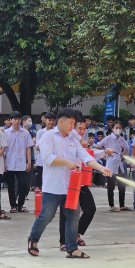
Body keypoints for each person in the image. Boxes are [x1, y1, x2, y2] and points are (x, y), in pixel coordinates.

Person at [27, 109, 112, 259]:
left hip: (71, 186)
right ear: (61, 121)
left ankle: (72, 248)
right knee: (47, 216)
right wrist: (66, 162)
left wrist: (101, 168)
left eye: (74, 123)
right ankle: (33, 239)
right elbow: (47, 157)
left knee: (73, 217)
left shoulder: (72, 139)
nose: (73, 126)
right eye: (71, 123)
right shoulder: (48, 136)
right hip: (53, 186)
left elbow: (85, 156)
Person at [58, 116, 112, 250]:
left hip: (80, 181)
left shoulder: (80, 143)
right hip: (67, 181)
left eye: (83, 129)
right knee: (66, 212)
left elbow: (89, 155)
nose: (82, 131)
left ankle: (76, 233)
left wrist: (104, 153)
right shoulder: (66, 140)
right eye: (79, 128)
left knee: (90, 209)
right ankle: (64, 241)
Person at [97, 121, 130, 212]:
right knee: (111, 186)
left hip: (119, 164)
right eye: (116, 128)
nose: (118, 129)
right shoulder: (108, 138)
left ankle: (122, 205)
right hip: (111, 164)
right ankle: (111, 206)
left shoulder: (122, 139)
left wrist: (121, 154)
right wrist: (106, 151)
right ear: (112, 129)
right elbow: (97, 146)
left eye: (120, 128)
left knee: (122, 185)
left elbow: (127, 148)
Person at [4, 111, 34, 213]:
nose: (17, 121)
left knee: (23, 184)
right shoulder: (6, 133)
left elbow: (28, 148)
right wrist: (3, 163)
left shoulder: (25, 133)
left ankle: (20, 205)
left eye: (18, 119)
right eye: (15, 119)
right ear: (10, 120)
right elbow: (4, 150)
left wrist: (29, 162)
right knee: (11, 186)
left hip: (21, 163)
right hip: (10, 163)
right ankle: (13, 205)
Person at [34, 112, 57, 189]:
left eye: (53, 120)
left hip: (53, 160)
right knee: (40, 180)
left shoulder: (57, 133)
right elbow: (38, 147)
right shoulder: (40, 132)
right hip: (42, 160)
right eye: (49, 120)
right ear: (45, 120)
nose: (51, 122)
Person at [22, 115, 37, 197]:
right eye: (29, 121)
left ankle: (25, 195)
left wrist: (29, 143)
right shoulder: (20, 132)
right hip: (21, 158)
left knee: (28, 178)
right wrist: (30, 142)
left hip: (30, 157)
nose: (30, 123)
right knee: (20, 178)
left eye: (31, 121)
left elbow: (32, 144)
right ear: (23, 122)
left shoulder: (32, 132)